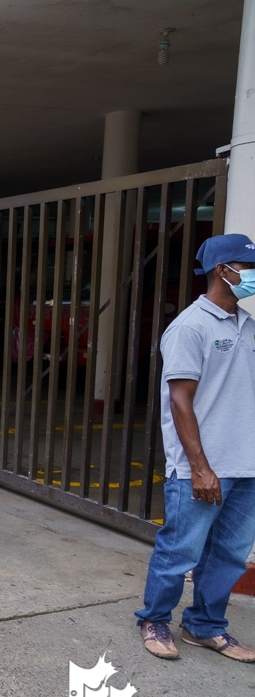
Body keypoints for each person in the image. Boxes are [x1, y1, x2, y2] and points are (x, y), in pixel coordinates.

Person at [135, 234, 255, 663]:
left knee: (229, 553)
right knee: (181, 549)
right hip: (201, 467)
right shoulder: (190, 326)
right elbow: (180, 399)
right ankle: (154, 619)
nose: (252, 274)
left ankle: (205, 626)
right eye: (247, 266)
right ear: (222, 270)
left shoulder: (247, 324)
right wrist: (200, 467)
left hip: (247, 465)